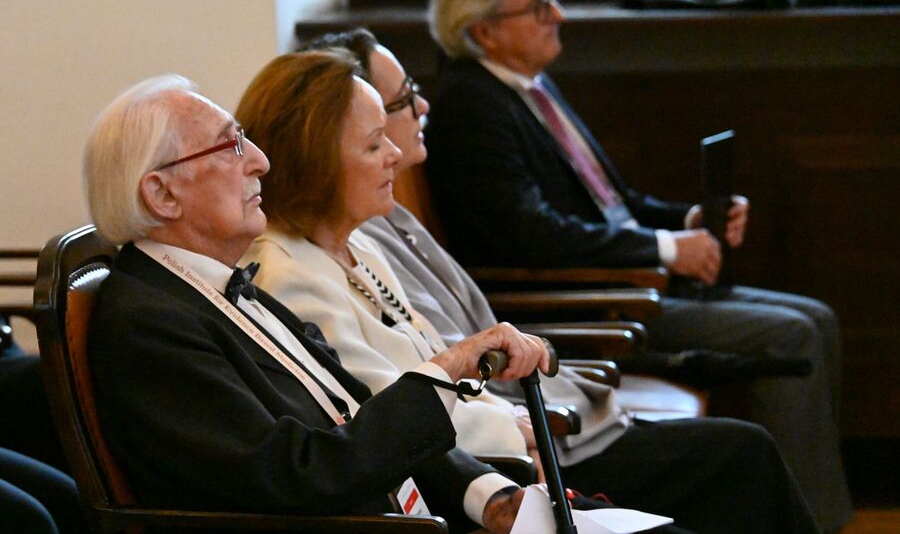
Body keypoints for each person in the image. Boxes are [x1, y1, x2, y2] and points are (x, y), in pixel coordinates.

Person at [236, 47, 819, 534]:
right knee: (734, 469)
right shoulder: (289, 277)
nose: (394, 153)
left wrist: (507, 418)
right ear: (316, 164)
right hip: (462, 490)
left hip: (501, 457)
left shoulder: (358, 247)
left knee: (741, 466)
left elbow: (439, 368)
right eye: (371, 145)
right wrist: (514, 430)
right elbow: (382, 414)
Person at [424, 0, 851, 531]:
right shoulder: (472, 107)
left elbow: (613, 205)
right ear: (485, 29)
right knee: (794, 335)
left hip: (630, 277)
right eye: (540, 5)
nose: (560, 15)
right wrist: (670, 250)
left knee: (819, 319)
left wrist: (685, 221)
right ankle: (814, 523)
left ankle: (811, 514)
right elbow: (535, 238)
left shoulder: (529, 85)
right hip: (597, 306)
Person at [83, 74, 555, 534]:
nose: (260, 162)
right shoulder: (148, 322)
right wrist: (448, 368)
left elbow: (354, 411)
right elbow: (294, 475)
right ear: (163, 194)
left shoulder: (210, 285)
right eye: (230, 147)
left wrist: (490, 498)